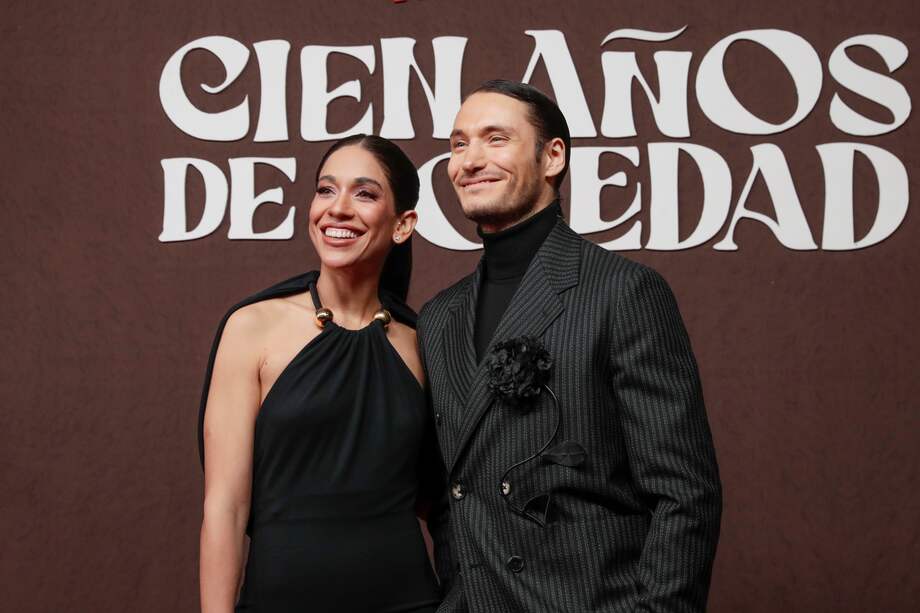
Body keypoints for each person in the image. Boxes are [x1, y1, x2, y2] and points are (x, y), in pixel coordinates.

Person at [417, 80, 723, 612]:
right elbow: (451, 496)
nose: (469, 160)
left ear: (552, 155)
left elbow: (684, 494)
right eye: (458, 144)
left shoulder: (623, 290)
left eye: (495, 139)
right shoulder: (440, 316)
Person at [197, 134, 443, 613]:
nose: (338, 209)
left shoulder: (422, 342)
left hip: (408, 601)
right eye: (326, 190)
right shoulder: (251, 328)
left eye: (365, 194)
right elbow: (225, 508)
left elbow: (438, 501)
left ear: (403, 224)